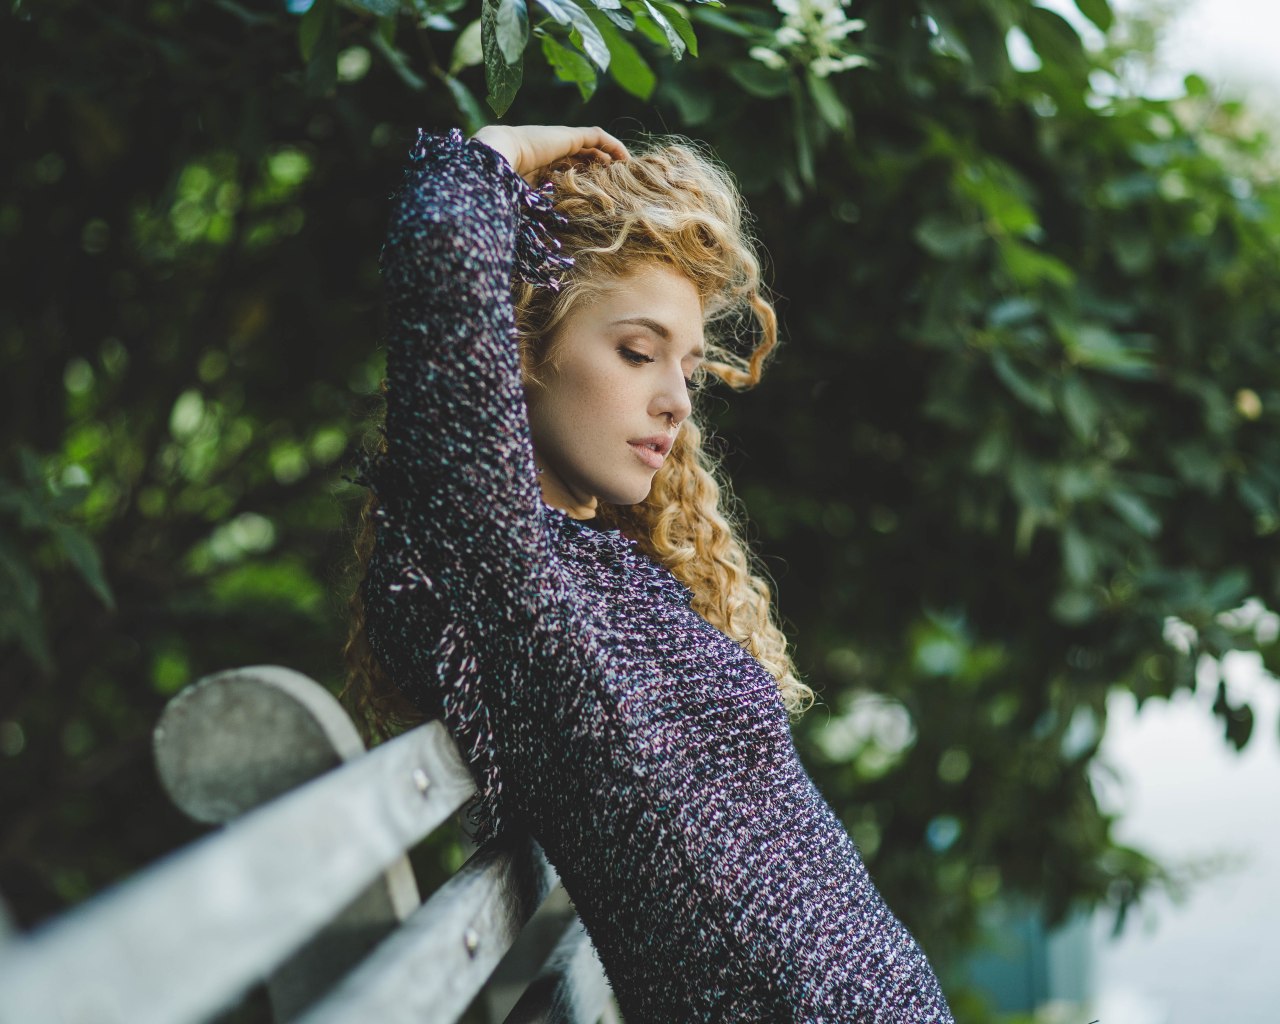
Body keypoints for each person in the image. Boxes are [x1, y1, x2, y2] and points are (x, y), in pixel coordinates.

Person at [342, 123, 954, 1022]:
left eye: (688, 366)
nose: (674, 398)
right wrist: (496, 149)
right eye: (637, 352)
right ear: (514, 345)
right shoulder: (517, 581)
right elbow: (439, 259)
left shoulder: (602, 569)